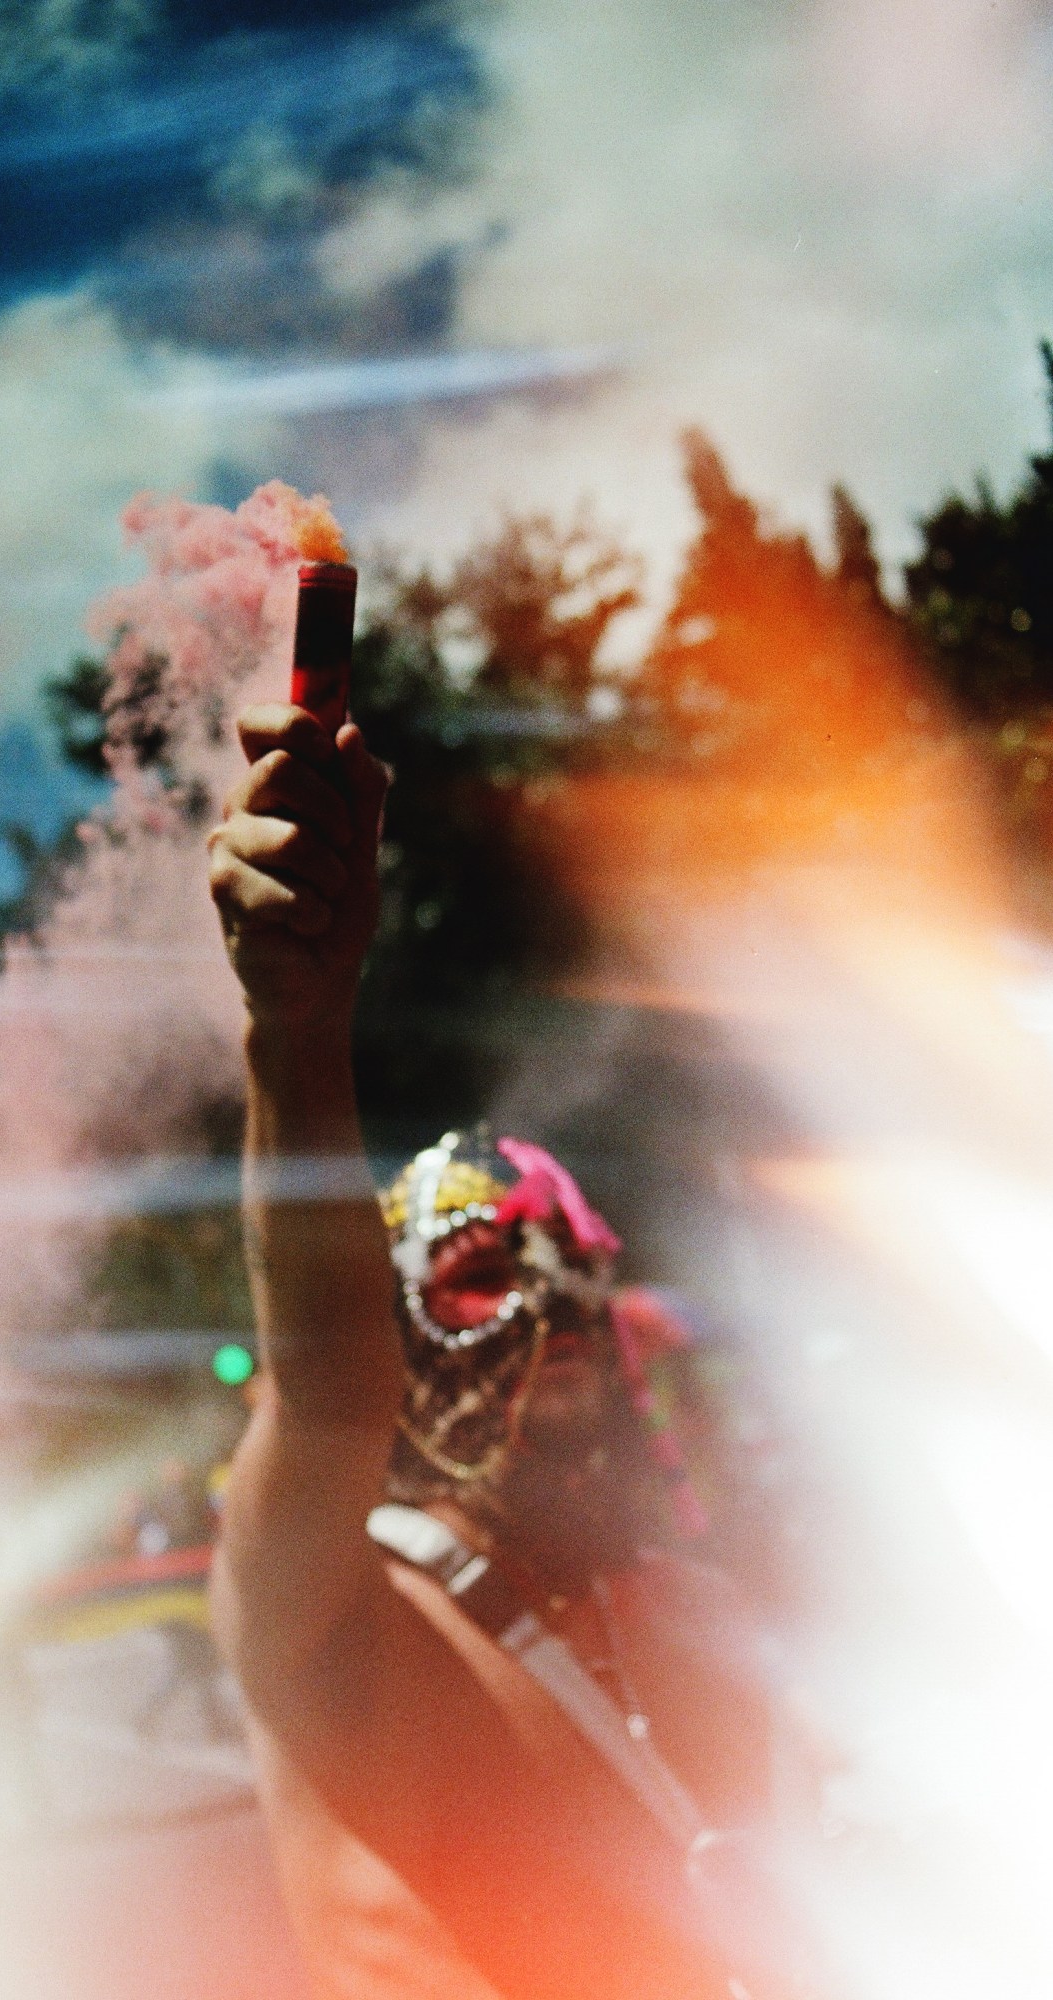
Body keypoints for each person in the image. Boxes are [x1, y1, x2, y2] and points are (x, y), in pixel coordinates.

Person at [207, 703, 800, 2000]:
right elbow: (318, 1389)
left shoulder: (691, 1611)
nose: (545, 1313)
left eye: (571, 1273)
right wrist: (295, 1030)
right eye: (480, 1278)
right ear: (397, 1338)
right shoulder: (342, 1615)